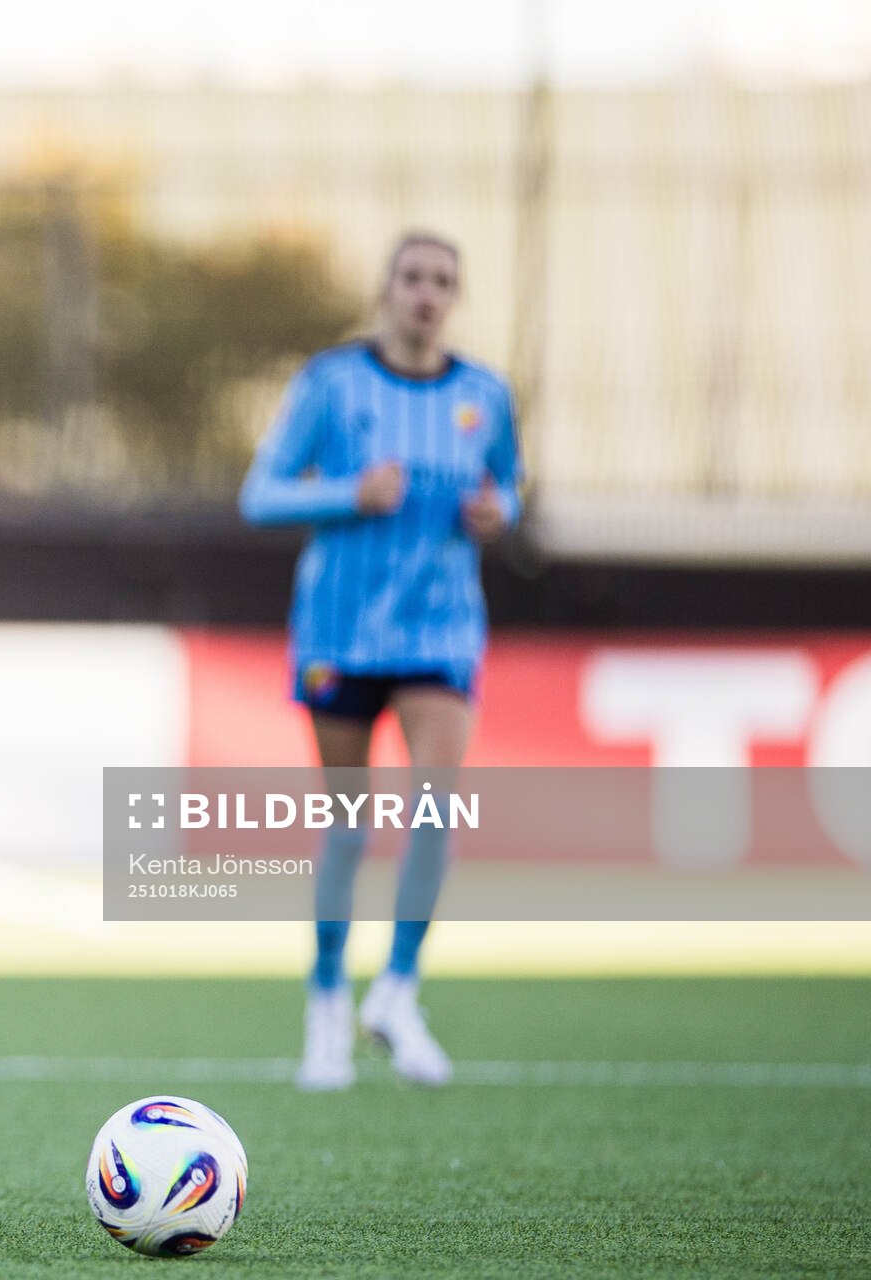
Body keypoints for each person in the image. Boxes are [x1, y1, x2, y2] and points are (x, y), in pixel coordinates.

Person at [239, 231, 521, 1090]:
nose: (426, 294)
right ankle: (327, 1002)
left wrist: (494, 511)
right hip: (340, 631)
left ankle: (397, 989)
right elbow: (260, 495)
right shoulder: (332, 384)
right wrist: (347, 493)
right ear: (387, 288)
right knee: (349, 825)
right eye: (412, 277)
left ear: (456, 296)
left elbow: (507, 485)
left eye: (443, 280)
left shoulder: (483, 395)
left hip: (440, 632)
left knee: (437, 810)